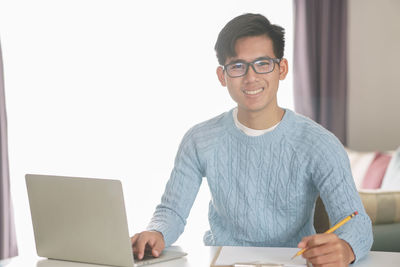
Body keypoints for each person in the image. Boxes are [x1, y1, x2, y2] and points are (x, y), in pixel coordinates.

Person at [131, 13, 373, 266]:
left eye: (262, 63)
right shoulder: (199, 139)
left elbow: (356, 221)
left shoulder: (320, 144)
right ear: (222, 76)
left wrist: (346, 248)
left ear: (282, 69)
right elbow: (172, 211)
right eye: (237, 66)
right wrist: (156, 232)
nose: (251, 77)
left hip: (293, 261)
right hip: (222, 261)